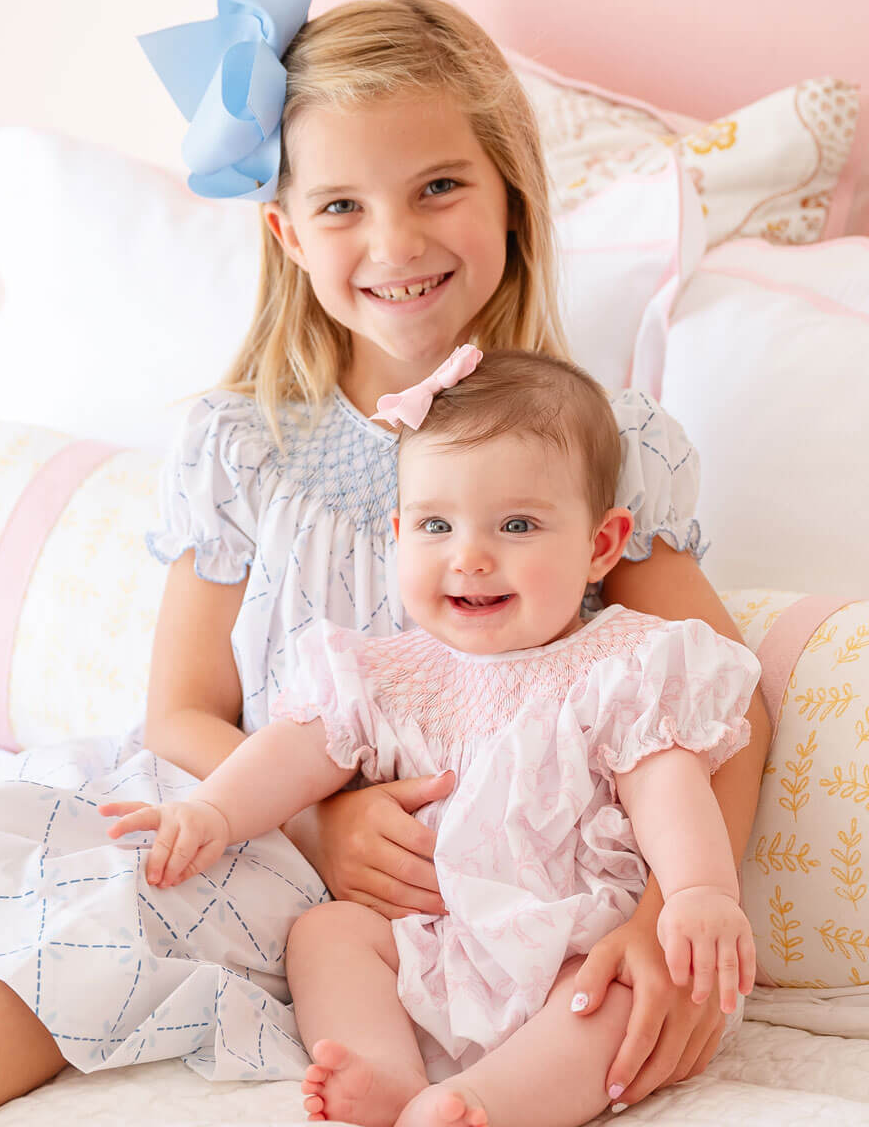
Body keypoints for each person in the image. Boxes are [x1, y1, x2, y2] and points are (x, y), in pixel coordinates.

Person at [0, 0, 770, 1127]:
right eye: (342, 205)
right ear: (287, 234)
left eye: (439, 186)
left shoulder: (594, 453)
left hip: (406, 891)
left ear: (511, 205)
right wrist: (313, 814)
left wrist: (672, 916)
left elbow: (723, 708)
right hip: (240, 801)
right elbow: (181, 713)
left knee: (108, 933)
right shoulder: (245, 443)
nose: (394, 241)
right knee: (3, 846)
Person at [105, 347, 760, 1127]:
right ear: (398, 535)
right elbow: (293, 750)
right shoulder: (387, 673)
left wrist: (698, 894)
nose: (470, 555)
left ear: (601, 546)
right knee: (328, 933)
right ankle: (384, 1069)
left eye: (517, 524)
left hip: (571, 950)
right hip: (431, 948)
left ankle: (481, 1105)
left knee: (615, 999)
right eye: (436, 525)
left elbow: (669, 786)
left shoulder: (619, 666)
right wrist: (212, 813)